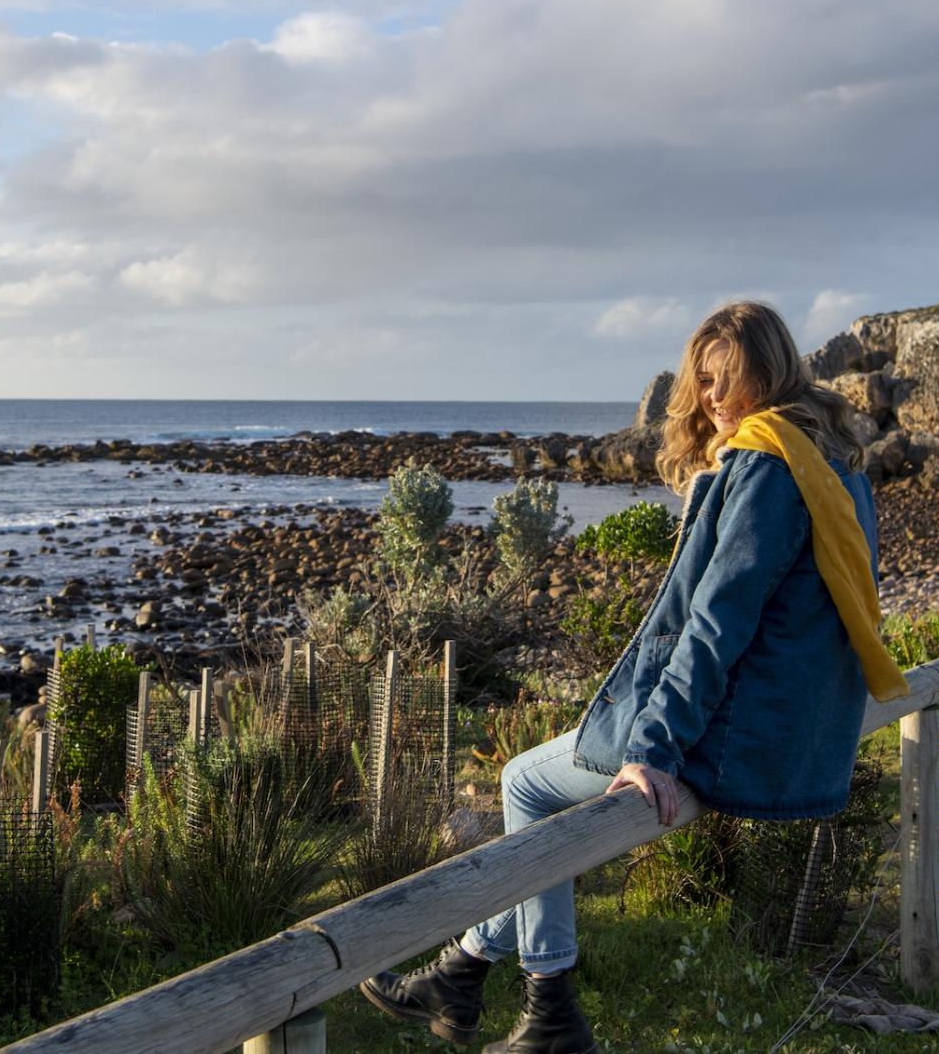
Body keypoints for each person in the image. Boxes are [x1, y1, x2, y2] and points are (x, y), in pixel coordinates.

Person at [358, 300, 909, 1053]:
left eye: (730, 379)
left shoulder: (765, 465)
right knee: (538, 788)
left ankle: (548, 1008)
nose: (714, 397)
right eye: (704, 381)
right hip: (794, 735)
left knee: (525, 782)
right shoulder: (834, 462)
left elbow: (717, 625)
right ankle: (463, 971)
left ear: (770, 372)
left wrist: (653, 749)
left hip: (733, 744)